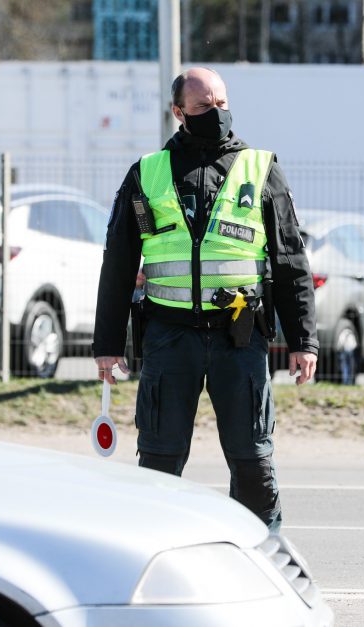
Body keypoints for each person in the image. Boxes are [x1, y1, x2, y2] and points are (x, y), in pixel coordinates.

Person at [93, 67, 318, 532]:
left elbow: (290, 259)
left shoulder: (261, 169)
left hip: (241, 338)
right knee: (158, 460)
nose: (216, 113)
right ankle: (153, 552)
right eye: (202, 107)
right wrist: (106, 344)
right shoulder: (147, 174)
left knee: (253, 461)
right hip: (169, 339)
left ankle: (264, 556)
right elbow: (117, 265)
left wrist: (304, 341)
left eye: (221, 103)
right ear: (179, 112)